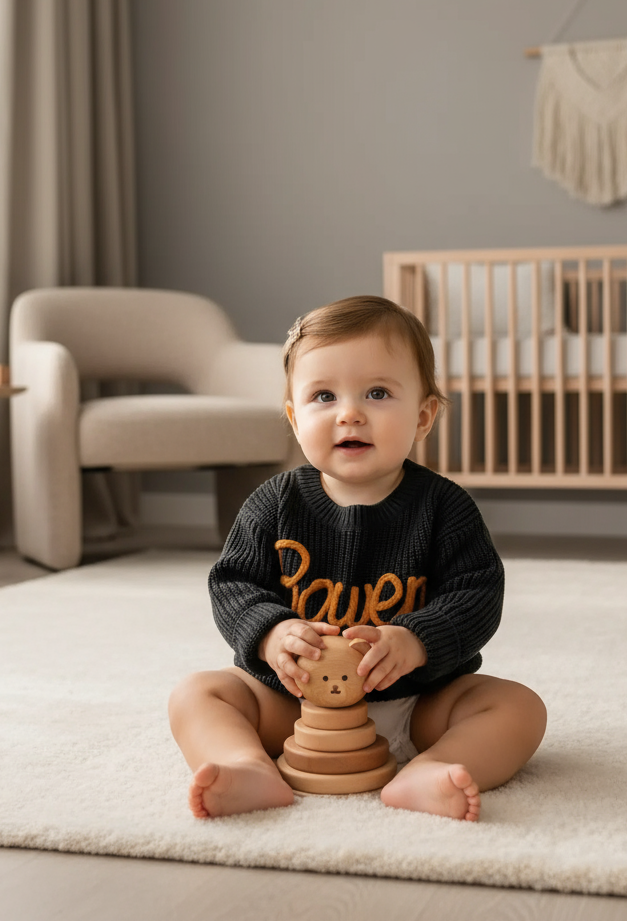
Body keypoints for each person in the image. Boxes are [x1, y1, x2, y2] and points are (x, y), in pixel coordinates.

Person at [168, 295, 546, 821]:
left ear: (423, 415)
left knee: (519, 708)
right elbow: (233, 583)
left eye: (377, 392)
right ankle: (247, 766)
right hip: (295, 705)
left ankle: (431, 770)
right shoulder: (273, 503)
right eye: (323, 395)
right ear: (294, 418)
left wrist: (417, 640)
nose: (350, 413)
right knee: (197, 694)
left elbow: (477, 592)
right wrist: (272, 633)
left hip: (418, 704)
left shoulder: (444, 507)